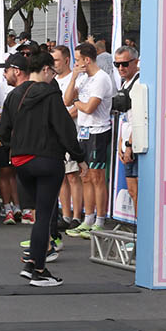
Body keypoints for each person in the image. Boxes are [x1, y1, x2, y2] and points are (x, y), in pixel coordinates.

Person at [0, 50, 86, 288]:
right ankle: (38, 269)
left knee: (38, 214)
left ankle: (31, 264)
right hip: (47, 159)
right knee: (45, 216)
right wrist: (79, 157)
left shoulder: (14, 95)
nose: (53, 76)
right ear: (45, 69)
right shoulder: (50, 94)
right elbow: (65, 128)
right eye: (53, 72)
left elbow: (4, 131)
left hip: (21, 161)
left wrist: (9, 143)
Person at [63, 43, 114, 234]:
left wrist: (76, 101)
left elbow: (89, 107)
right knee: (84, 176)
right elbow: (67, 100)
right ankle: (88, 217)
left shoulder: (101, 78)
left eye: (77, 60)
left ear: (87, 59)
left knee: (97, 176)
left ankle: (100, 220)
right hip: (83, 131)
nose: (76, 63)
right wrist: (74, 76)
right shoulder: (82, 78)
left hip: (98, 131)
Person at [0, 53, 31, 225]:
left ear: (16, 71)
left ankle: (24, 208)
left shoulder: (31, 88)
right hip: (4, 139)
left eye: (6, 70)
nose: (3, 74)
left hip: (22, 140)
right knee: (5, 172)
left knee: (23, 173)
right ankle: (8, 208)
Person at [50, 44, 81, 227]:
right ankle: (66, 214)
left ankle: (77, 215)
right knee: (60, 175)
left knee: (73, 175)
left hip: (71, 132)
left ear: (66, 60)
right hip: (55, 136)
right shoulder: (51, 79)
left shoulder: (75, 78)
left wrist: (60, 119)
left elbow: (77, 105)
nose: (53, 64)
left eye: (56, 60)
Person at [114, 45, 142, 216]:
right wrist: (121, 145)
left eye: (125, 64)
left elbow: (140, 118)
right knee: (132, 191)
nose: (121, 68)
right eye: (117, 65)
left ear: (136, 62)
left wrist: (129, 145)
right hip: (126, 142)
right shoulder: (126, 82)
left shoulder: (139, 82)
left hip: (136, 143)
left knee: (138, 192)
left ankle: (144, 235)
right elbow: (125, 117)